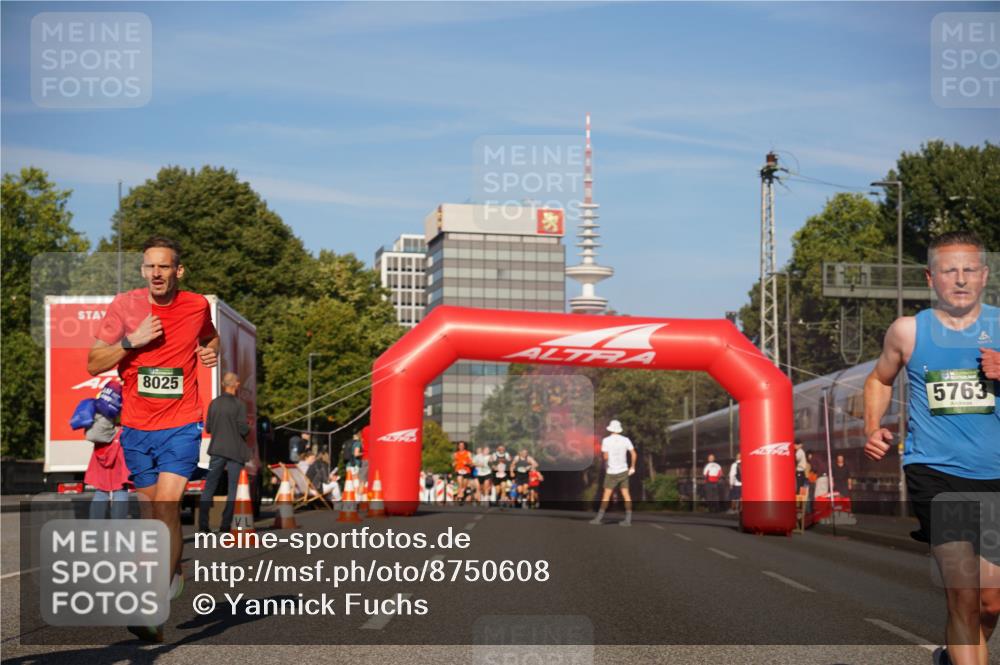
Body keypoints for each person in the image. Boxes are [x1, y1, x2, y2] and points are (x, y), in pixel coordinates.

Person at [863, 231, 999, 665]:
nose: (959, 279)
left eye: (969, 269)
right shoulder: (908, 331)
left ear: (985, 274)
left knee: (991, 602)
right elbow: (879, 380)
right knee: (963, 594)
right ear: (930, 277)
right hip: (937, 473)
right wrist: (872, 426)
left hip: (995, 474)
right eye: (948, 270)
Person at [88, 236, 219, 643]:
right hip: (138, 428)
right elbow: (93, 361)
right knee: (151, 523)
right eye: (150, 267)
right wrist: (133, 340)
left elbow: (209, 337)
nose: (156, 273)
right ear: (143, 270)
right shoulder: (125, 308)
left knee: (166, 509)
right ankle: (171, 569)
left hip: (181, 424)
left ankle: (152, 609)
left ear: (178, 271)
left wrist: (211, 351)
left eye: (164, 267)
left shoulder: (197, 305)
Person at [198, 372, 249, 534]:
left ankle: (203, 525)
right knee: (233, 488)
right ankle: (226, 524)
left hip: (217, 450)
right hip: (235, 451)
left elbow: (209, 428)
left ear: (222, 384)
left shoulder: (214, 404)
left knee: (209, 486)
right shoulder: (240, 405)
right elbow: (243, 429)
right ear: (237, 384)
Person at [590, 419, 636, 526]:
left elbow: (605, 457)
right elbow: (633, 453)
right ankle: (628, 520)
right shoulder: (626, 440)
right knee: (626, 495)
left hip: (611, 471)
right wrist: (632, 467)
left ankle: (598, 519)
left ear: (610, 429)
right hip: (624, 471)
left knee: (606, 496)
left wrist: (606, 465)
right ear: (619, 429)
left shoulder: (606, 440)